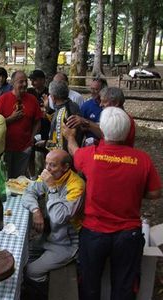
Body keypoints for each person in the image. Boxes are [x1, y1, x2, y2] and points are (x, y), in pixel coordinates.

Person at [62, 107, 161, 300]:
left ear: (103, 129)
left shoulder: (91, 155)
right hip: (128, 235)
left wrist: (69, 136)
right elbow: (155, 192)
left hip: (94, 233)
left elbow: (74, 152)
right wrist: (133, 191)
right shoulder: (142, 159)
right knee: (124, 287)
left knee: (90, 285)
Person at [21, 149, 85, 299]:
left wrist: (51, 187)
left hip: (66, 243)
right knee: (22, 259)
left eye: (53, 165)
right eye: (46, 164)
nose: (47, 169)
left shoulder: (76, 186)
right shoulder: (50, 175)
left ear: (66, 167)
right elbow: (28, 192)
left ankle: (43, 292)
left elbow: (58, 218)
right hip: (47, 236)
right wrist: (36, 210)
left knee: (31, 271)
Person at [0, 70, 43, 178]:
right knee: (5, 178)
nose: (24, 84)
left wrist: (32, 139)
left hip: (24, 148)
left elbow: (38, 121)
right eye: (21, 82)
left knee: (19, 179)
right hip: (5, 148)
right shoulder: (3, 99)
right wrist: (10, 119)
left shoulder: (32, 100)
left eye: (26, 81)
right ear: (12, 83)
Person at [66, 87, 136, 147]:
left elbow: (106, 134)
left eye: (104, 102)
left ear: (116, 103)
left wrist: (85, 122)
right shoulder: (115, 118)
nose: (100, 105)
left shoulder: (123, 120)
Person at [37, 80, 82, 152]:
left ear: (53, 97)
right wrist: (48, 110)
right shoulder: (73, 105)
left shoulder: (64, 112)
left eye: (50, 95)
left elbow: (60, 144)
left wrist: (45, 143)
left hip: (62, 157)